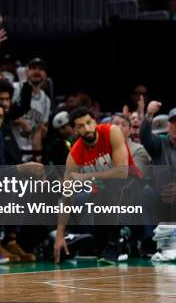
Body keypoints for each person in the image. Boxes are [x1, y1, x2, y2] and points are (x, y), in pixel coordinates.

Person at [54, 107, 141, 264]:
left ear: (95, 122)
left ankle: (115, 242)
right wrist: (59, 236)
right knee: (101, 249)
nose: (87, 128)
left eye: (89, 122)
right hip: (102, 193)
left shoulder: (112, 132)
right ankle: (118, 241)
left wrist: (86, 176)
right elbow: (66, 197)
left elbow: (122, 172)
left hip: (132, 182)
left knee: (109, 188)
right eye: (81, 126)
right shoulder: (74, 155)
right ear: (75, 131)